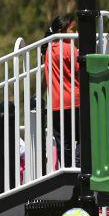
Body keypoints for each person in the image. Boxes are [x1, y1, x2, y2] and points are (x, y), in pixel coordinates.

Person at [43, 14, 80, 167]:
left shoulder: (48, 49)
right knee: (82, 135)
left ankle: (66, 167)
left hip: (56, 103)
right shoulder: (69, 48)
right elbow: (80, 69)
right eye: (73, 29)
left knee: (62, 139)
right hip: (75, 100)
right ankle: (78, 165)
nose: (76, 33)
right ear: (62, 30)